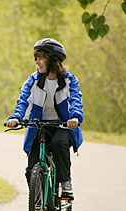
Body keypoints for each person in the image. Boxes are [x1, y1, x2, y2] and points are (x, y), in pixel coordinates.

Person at [6, 38, 84, 198]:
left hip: (63, 126)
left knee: (59, 143)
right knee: (30, 171)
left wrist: (75, 117)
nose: (37, 63)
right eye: (36, 58)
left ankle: (65, 182)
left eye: (41, 58)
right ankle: (40, 202)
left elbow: (75, 100)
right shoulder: (33, 80)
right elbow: (23, 101)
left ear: (53, 60)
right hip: (39, 126)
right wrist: (16, 117)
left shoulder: (69, 80)